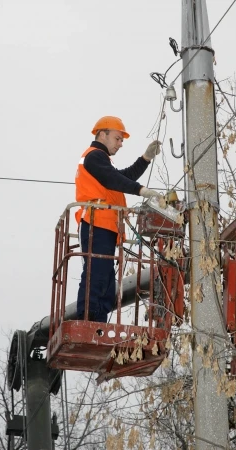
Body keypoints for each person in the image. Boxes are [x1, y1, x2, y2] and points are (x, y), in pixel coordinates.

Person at [75, 115, 161, 322]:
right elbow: (113, 179)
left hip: (105, 225)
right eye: (117, 138)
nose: (121, 144)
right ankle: (89, 320)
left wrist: (145, 159)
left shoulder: (100, 160)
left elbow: (122, 177)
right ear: (102, 134)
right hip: (96, 223)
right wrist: (140, 190)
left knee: (106, 279)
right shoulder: (94, 156)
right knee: (97, 274)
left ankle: (97, 321)